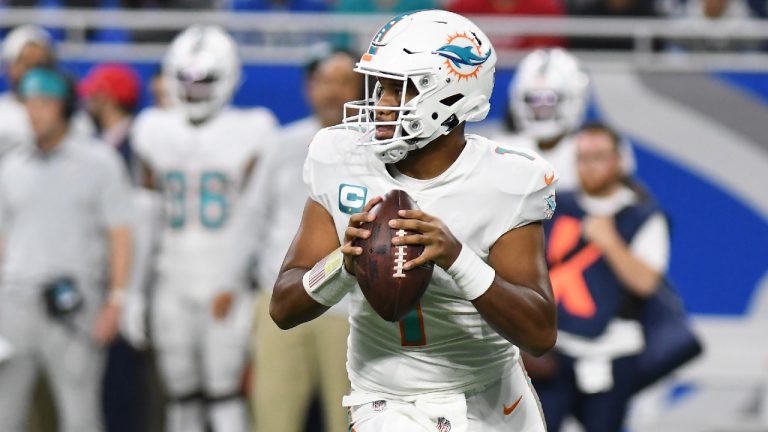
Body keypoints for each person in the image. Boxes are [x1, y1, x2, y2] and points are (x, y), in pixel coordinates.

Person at [270, 10, 557, 431]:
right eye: (378, 86)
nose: (380, 104)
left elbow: (539, 334)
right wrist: (342, 264)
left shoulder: (506, 181)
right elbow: (283, 306)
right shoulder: (340, 155)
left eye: (397, 90)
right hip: (387, 399)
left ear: (452, 95)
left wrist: (457, 259)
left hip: (489, 395)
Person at [131, 25, 278, 432]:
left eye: (204, 81)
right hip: (171, 277)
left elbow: (255, 218)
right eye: (187, 81)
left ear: (228, 77)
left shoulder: (254, 128)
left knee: (224, 394)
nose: (194, 90)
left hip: (223, 279)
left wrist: (234, 278)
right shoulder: (152, 129)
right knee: (180, 398)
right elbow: (145, 217)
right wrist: (131, 293)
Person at [228, 48, 362, 432]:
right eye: (324, 82)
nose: (332, 92)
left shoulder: (378, 147)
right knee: (272, 416)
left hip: (350, 306)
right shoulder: (281, 143)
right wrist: (238, 289)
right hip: (281, 299)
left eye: (343, 82)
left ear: (362, 89)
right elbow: (251, 217)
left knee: (351, 421)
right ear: (309, 88)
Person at [0, 67, 133, 432]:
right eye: (29, 103)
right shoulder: (11, 165)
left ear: (66, 106)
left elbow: (121, 234)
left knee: (81, 417)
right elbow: (3, 239)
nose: (35, 112)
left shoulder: (99, 162)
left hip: (74, 303)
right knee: (5, 415)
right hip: (13, 304)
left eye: (45, 102)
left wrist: (117, 300)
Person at [534, 122, 670, 432]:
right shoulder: (553, 206)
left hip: (613, 349)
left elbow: (646, 283)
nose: (590, 166)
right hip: (555, 347)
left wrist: (609, 241)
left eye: (599, 156)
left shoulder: (642, 215)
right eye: (583, 157)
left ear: (618, 160)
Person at [498, 48, 635, 191]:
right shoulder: (503, 148)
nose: (542, 109)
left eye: (550, 100)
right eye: (533, 99)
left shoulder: (597, 145)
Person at [0, 25, 94, 158]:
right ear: (10, 67)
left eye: (40, 63)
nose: (32, 71)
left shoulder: (73, 116)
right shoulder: (2, 111)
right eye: (25, 64)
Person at [79, 63, 142, 171]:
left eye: (93, 94)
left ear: (105, 97)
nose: (88, 98)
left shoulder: (137, 141)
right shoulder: (96, 135)